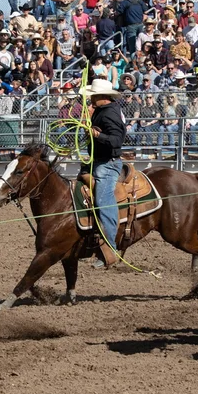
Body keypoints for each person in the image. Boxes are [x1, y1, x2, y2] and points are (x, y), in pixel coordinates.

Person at [80, 78, 127, 268]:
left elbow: (117, 140)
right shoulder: (102, 110)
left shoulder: (109, 115)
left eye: (93, 96)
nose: (90, 99)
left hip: (107, 164)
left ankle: (110, 249)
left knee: (103, 201)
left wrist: (97, 135)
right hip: (97, 161)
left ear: (102, 97)